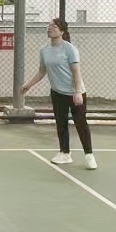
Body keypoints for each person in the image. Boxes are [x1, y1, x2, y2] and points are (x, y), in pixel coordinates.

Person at [21, 17, 96, 170]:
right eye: (49, 26)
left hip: (75, 92)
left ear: (62, 31)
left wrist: (77, 92)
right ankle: (65, 153)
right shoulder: (44, 51)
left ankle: (89, 155)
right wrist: (28, 85)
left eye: (54, 26)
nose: (50, 28)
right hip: (57, 92)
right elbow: (42, 71)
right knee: (61, 123)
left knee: (80, 123)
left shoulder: (70, 49)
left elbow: (76, 72)